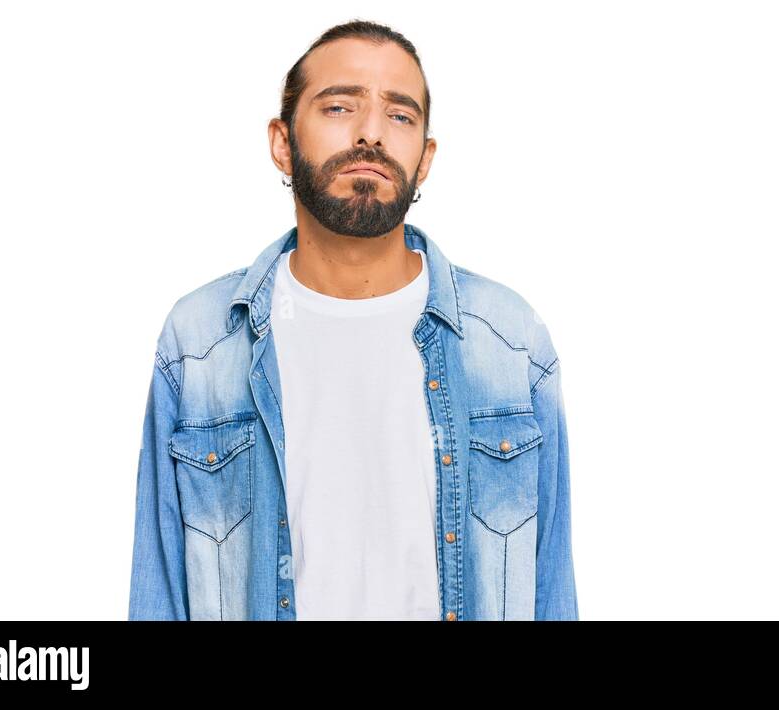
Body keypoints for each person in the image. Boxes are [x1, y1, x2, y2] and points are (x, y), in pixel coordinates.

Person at [127, 19, 577, 621]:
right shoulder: (201, 343)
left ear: (425, 159)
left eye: (400, 116)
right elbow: (158, 594)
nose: (371, 134)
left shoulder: (509, 341)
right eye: (339, 106)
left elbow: (551, 591)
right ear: (283, 142)